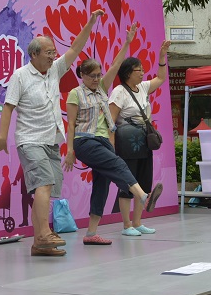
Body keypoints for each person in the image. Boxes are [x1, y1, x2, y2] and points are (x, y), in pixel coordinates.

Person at [0, 9, 104, 257]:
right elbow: (8, 107)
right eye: (49, 52)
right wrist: (2, 137)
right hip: (30, 139)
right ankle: (43, 234)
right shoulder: (20, 76)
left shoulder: (54, 70)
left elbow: (75, 48)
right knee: (43, 183)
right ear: (34, 54)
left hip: (51, 140)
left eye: (54, 52)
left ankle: (40, 243)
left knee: (47, 189)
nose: (54, 56)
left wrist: (91, 23)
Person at [64, 23, 164, 245]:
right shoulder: (75, 94)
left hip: (103, 142)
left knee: (102, 185)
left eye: (98, 75)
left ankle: (91, 233)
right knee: (119, 164)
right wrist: (70, 150)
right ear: (82, 75)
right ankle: (143, 196)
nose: (96, 79)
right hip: (85, 141)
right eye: (92, 76)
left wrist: (127, 42)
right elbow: (70, 124)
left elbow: (116, 65)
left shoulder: (101, 90)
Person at [109, 39, 173, 236]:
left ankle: (137, 223)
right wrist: (112, 146)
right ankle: (126, 225)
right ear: (128, 73)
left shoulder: (143, 87)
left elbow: (161, 78)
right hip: (127, 143)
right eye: (139, 70)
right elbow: (111, 122)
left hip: (144, 141)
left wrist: (161, 57)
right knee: (127, 183)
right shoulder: (119, 92)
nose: (143, 73)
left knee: (143, 182)